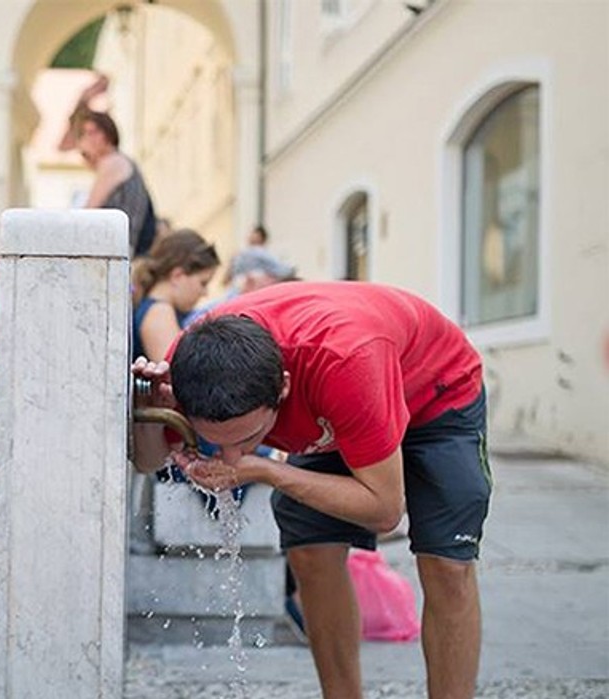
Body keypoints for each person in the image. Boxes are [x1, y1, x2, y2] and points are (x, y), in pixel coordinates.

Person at [137, 281, 490, 699]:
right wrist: (147, 410)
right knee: (310, 548)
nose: (231, 456)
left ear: (283, 388)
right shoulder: (192, 368)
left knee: (446, 563)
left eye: (248, 438)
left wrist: (268, 471)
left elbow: (384, 509)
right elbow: (148, 461)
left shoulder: (343, 363)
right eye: (217, 442)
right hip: (340, 405)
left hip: (435, 393)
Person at [75, 111, 158, 257]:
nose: (88, 139)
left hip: (119, 247)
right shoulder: (122, 161)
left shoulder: (112, 163)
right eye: (85, 134)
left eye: (93, 132)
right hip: (126, 246)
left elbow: (88, 213)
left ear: (107, 133)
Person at [131, 230, 219, 363]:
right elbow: (173, 370)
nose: (205, 293)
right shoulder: (159, 313)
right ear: (177, 276)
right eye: (203, 283)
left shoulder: (156, 309)